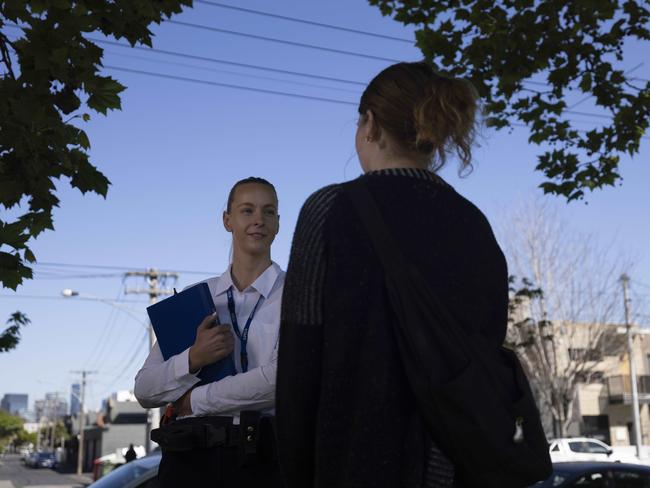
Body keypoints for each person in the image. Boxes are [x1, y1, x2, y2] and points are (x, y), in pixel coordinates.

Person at [276, 61, 508, 488]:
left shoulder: (329, 211)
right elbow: (490, 344)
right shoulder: (473, 223)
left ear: (370, 124)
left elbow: (299, 365)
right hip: (456, 465)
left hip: (352, 463)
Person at [134, 177, 285, 488]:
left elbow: (280, 381)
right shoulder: (195, 298)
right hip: (189, 462)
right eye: (247, 210)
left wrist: (195, 401)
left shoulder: (299, 294)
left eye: (268, 211)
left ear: (278, 223)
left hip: (264, 460)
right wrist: (193, 358)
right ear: (227, 220)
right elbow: (145, 390)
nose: (258, 220)